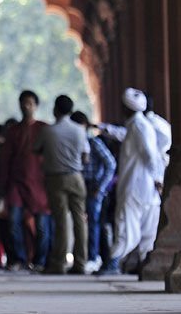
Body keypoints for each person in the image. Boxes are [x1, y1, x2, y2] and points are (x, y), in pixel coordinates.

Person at [98, 87, 166, 275]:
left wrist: (157, 178)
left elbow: (151, 156)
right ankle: (138, 265)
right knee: (140, 227)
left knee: (125, 225)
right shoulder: (137, 125)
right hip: (139, 185)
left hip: (135, 185)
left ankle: (113, 263)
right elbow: (122, 134)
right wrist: (103, 128)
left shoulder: (139, 127)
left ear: (127, 108)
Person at [34, 95, 90, 274]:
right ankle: (80, 263)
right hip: (76, 177)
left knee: (61, 221)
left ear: (55, 110)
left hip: (55, 179)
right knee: (79, 220)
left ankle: (59, 263)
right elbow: (86, 156)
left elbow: (35, 149)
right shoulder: (79, 130)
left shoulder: (48, 131)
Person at [0, 90, 51, 271]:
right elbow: (5, 160)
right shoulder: (12, 132)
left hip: (40, 183)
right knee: (13, 221)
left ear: (36, 106)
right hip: (16, 183)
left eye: (29, 103)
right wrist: (2, 188)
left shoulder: (44, 128)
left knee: (42, 225)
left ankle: (40, 260)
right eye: (23, 103)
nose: (26, 106)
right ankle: (18, 259)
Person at [71, 111, 116, 273]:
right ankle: (84, 257)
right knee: (81, 224)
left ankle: (93, 257)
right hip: (79, 186)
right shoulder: (74, 144)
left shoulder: (94, 143)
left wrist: (101, 187)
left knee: (94, 224)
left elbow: (111, 164)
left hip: (94, 187)